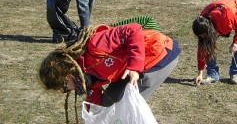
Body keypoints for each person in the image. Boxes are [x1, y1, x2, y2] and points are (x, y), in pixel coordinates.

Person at [39, 17, 181, 108]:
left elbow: (133, 29)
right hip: (125, 69)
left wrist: (134, 67)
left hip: (159, 54)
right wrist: (91, 114)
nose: (68, 90)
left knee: (128, 106)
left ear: (66, 74)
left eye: (65, 87)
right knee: (107, 103)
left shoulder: (95, 46)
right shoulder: (84, 74)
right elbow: (95, 101)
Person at [192, 0, 237, 85]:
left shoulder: (224, 16)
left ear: (208, 29)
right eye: (200, 36)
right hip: (218, 22)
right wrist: (200, 73)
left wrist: (236, 43)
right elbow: (202, 50)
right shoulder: (202, 21)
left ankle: (235, 74)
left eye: (204, 35)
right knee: (207, 46)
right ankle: (213, 74)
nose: (202, 37)